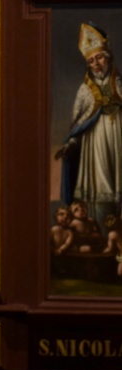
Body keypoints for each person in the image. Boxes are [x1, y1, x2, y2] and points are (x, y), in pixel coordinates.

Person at [55, 22, 122, 229]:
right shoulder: (85, 91)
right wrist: (72, 143)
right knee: (99, 186)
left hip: (118, 140)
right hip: (94, 145)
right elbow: (79, 123)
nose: (96, 64)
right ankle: (100, 230)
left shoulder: (119, 84)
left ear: (108, 57)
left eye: (99, 58)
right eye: (92, 61)